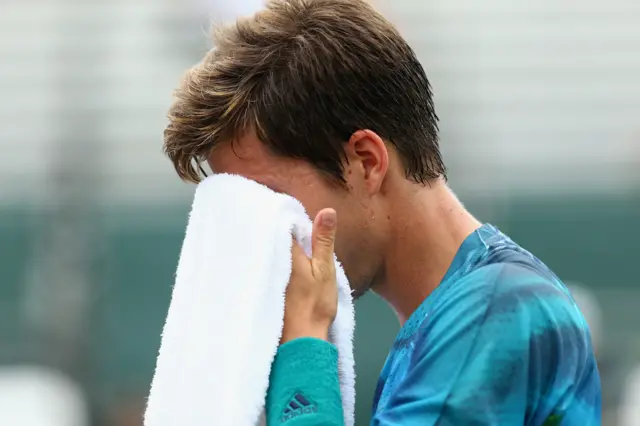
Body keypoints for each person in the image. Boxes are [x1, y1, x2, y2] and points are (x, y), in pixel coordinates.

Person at [162, 0, 601, 424]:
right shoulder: (456, 318)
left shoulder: (495, 314)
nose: (264, 235)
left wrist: (305, 339)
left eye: (271, 200)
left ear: (366, 162)